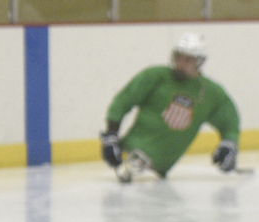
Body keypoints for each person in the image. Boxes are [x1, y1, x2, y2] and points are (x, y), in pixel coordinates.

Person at [100, 32, 241, 181]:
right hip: (128, 161)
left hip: (157, 175)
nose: (181, 63)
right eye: (179, 57)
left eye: (188, 59)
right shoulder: (155, 77)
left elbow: (230, 120)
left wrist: (229, 145)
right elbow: (122, 101)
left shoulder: (211, 92)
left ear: (199, 61)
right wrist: (111, 135)